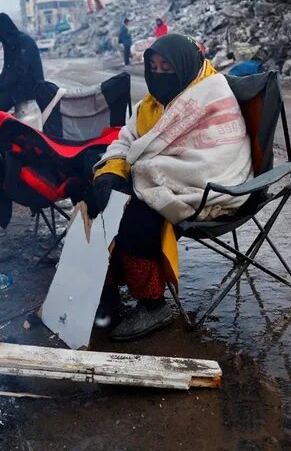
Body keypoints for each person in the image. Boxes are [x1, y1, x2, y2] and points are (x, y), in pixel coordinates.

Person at [85, 34, 253, 341]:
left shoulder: (210, 94)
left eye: (167, 66)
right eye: (154, 66)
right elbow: (127, 139)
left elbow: (217, 158)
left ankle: (153, 304)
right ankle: (106, 291)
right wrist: (113, 170)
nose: (159, 73)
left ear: (186, 65)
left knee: (137, 212)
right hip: (159, 176)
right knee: (100, 195)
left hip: (212, 188)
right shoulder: (150, 105)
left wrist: (142, 173)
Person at [0, 13, 44, 112]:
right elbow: (7, 69)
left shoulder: (24, 42)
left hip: (30, 89)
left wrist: (0, 87)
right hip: (16, 87)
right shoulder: (9, 44)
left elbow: (19, 70)